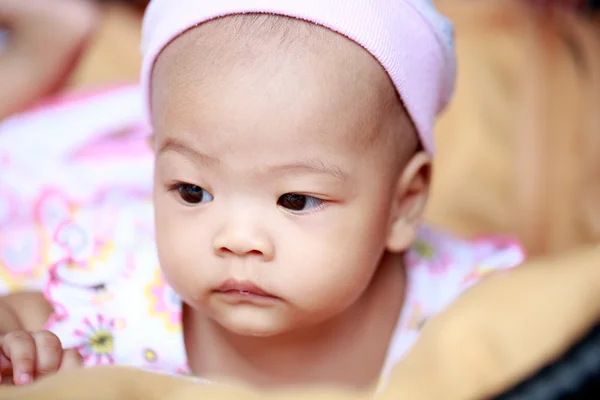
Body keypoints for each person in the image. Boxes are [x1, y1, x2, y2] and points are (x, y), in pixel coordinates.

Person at [0, 0, 525, 391]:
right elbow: (22, 316)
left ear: (403, 203)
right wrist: (18, 345)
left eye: (295, 200)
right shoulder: (116, 300)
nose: (236, 238)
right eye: (192, 191)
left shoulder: (467, 308)